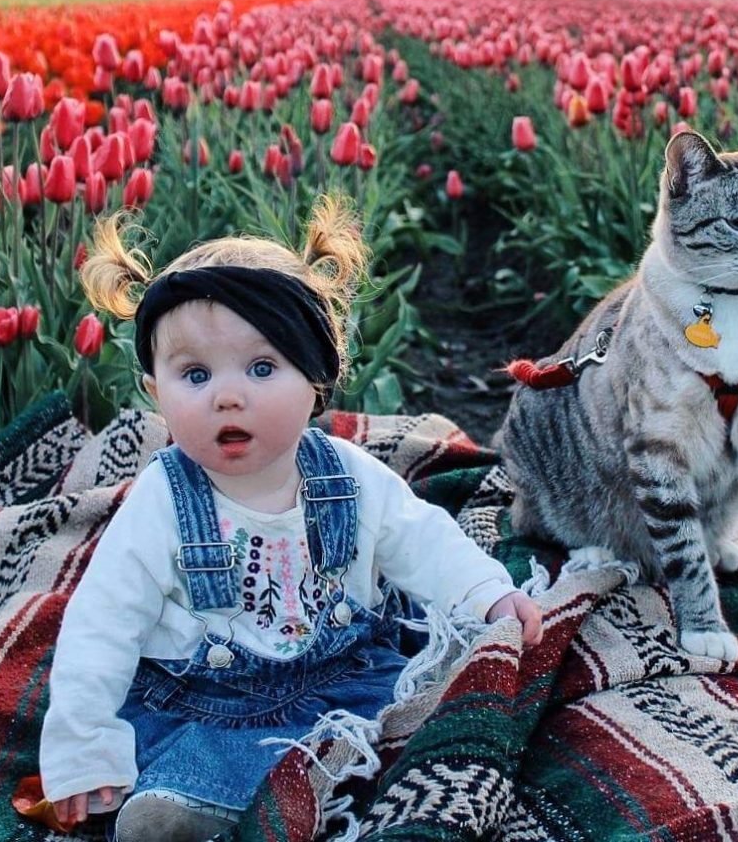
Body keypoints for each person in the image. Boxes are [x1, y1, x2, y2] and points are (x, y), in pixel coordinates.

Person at [39, 197, 543, 842]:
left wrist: (486, 593)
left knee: (417, 722)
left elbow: (423, 540)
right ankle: (191, 812)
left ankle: (344, 787)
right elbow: (101, 626)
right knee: (197, 763)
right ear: (153, 389)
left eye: (261, 368)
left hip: (344, 679)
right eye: (194, 373)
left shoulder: (346, 474)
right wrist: (83, 751)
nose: (227, 394)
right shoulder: (163, 500)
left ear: (317, 377)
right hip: (212, 702)